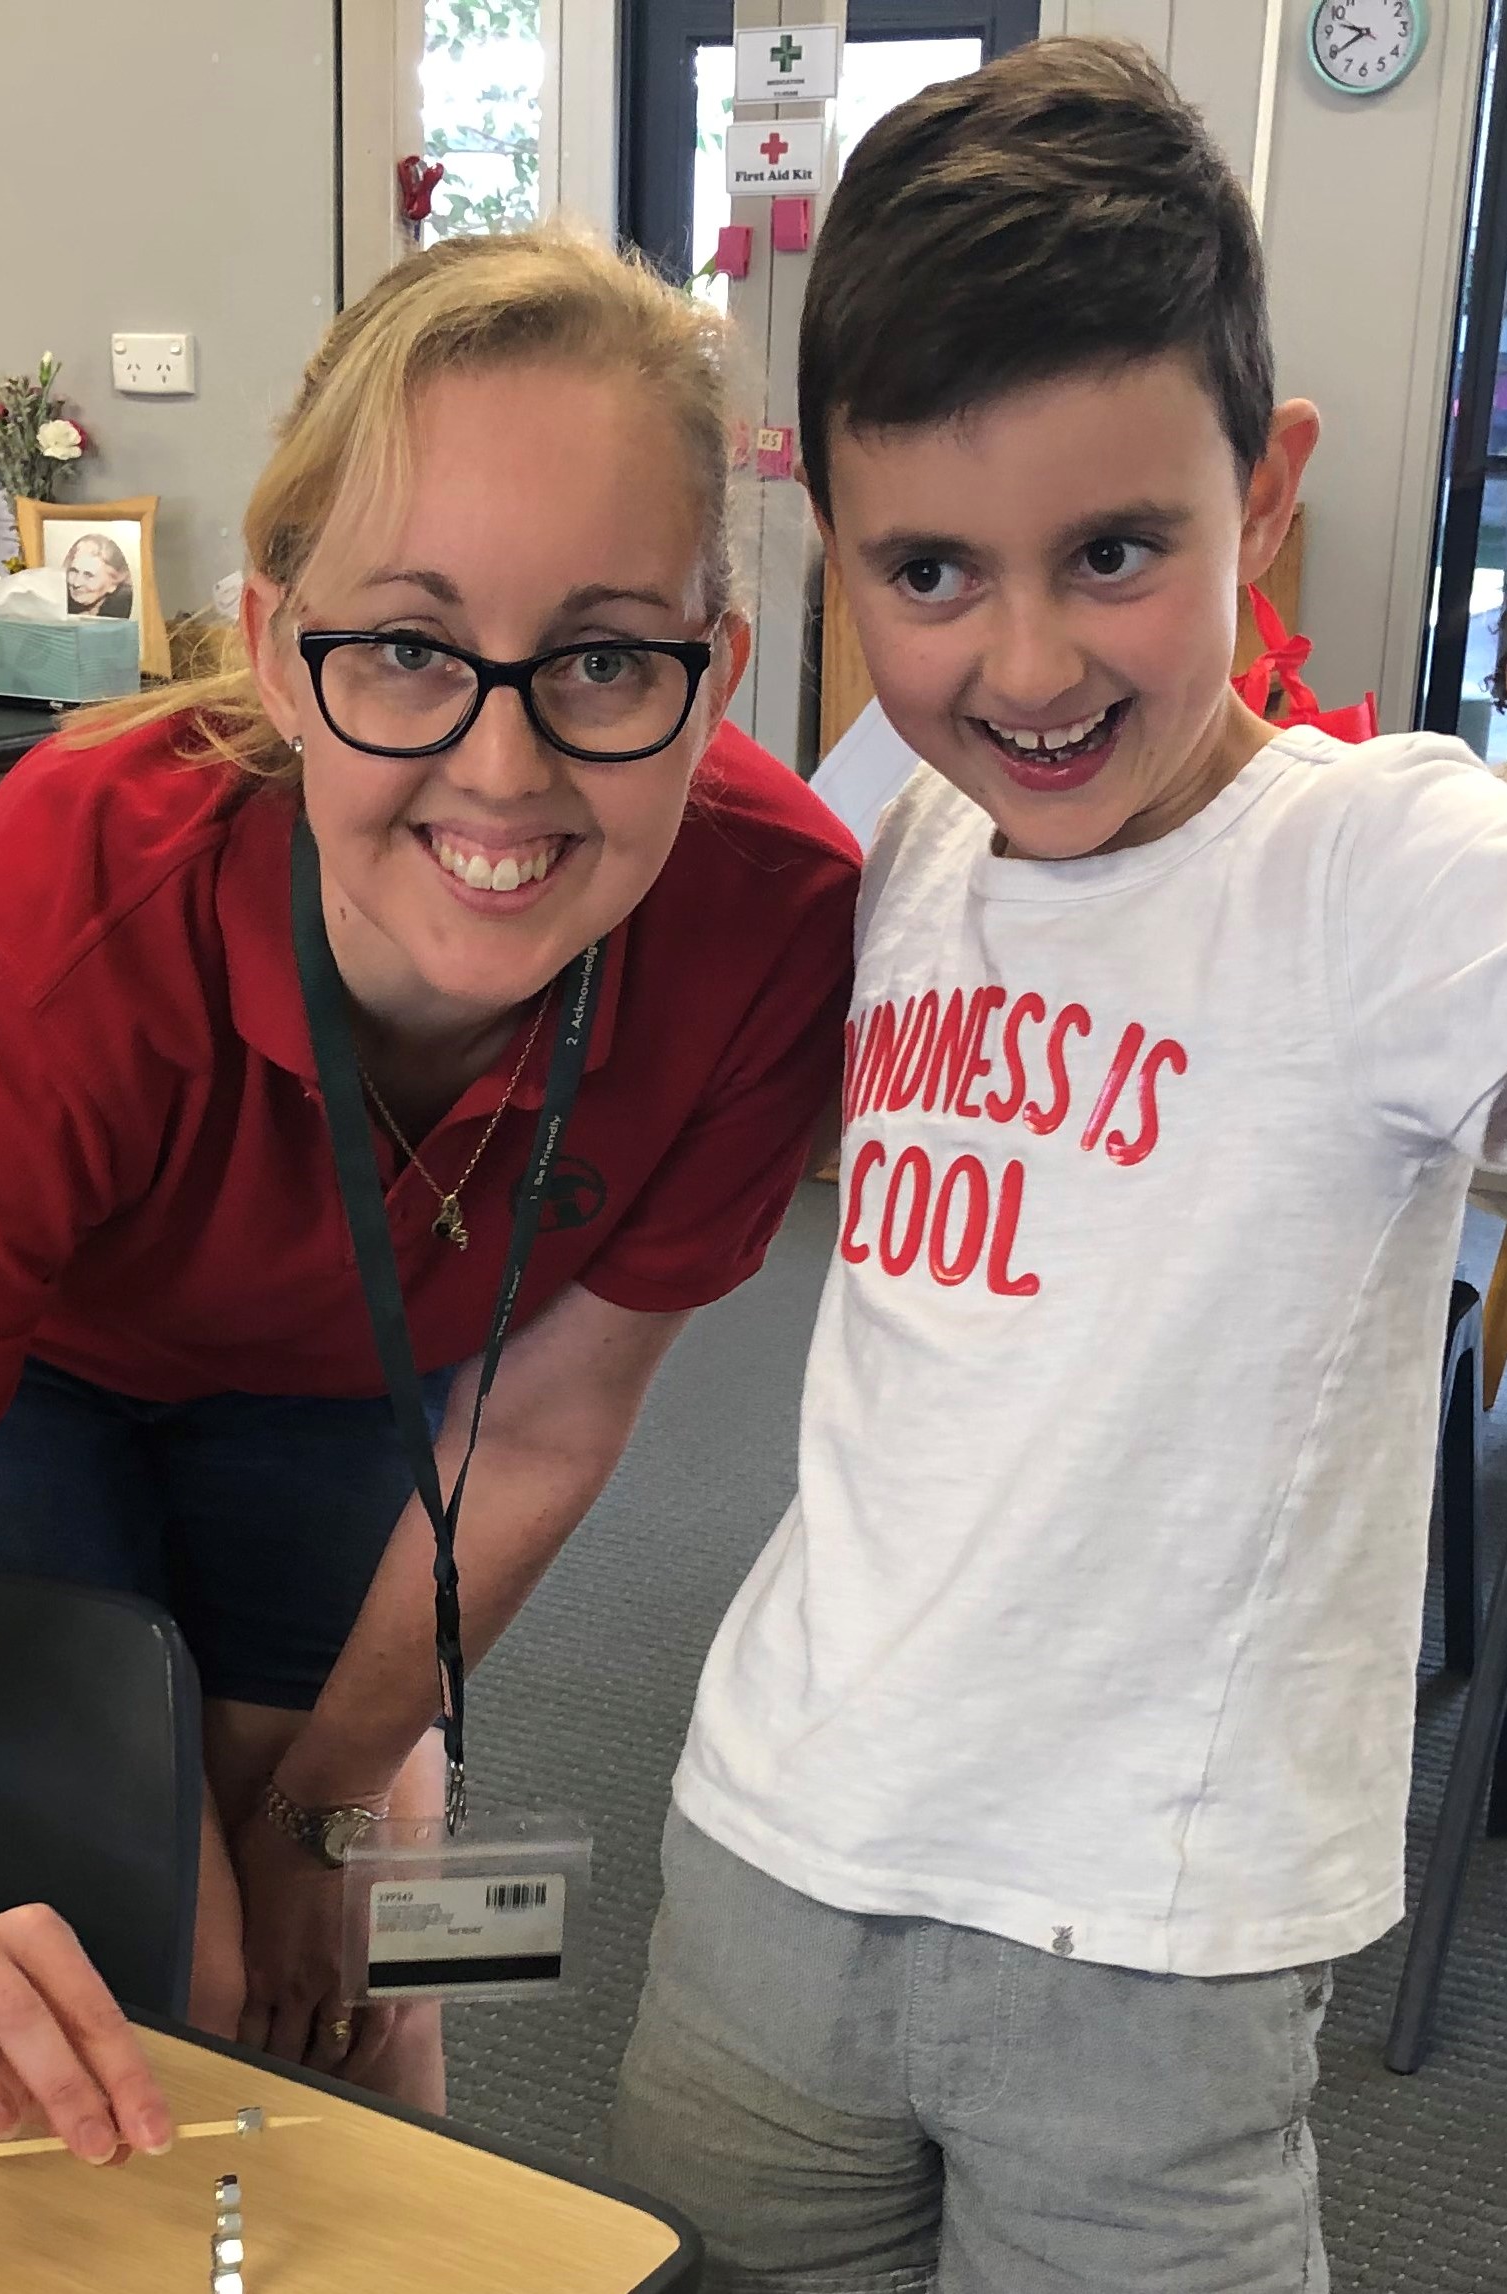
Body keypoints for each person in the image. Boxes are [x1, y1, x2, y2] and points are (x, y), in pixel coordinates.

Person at [0, 224, 860, 2184]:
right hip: (19, 1321)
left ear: (713, 665)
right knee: (159, 1948)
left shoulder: (768, 926)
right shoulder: (75, 932)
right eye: (404, 644)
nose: (503, 763)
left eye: (599, 656)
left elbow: (543, 1425)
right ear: (272, 647)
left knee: (337, 1948)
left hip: (344, 1339)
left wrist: (325, 1814)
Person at [612, 39, 1507, 2293]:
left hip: (1148, 1954)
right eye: (930, 568)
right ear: (836, 544)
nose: (1021, 660)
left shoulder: (1381, 866)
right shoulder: (904, 828)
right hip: (770, 1862)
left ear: (1266, 492)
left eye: (1115, 551)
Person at [62, 532, 134, 618]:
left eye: (88, 575)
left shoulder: (120, 619)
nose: (76, 583)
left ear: (113, 585)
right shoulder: (60, 605)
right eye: (74, 571)